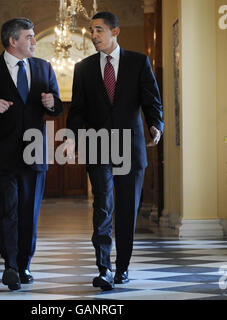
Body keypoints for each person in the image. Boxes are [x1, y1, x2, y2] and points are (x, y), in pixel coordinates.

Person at [66, 11, 164, 291]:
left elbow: (152, 100)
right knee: (102, 206)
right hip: (97, 147)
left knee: (126, 210)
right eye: (91, 30)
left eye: (99, 30)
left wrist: (156, 125)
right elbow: (77, 110)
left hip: (130, 149)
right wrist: (71, 136)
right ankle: (103, 267)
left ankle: (122, 268)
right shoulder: (83, 68)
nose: (93, 35)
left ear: (115, 32)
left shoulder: (138, 62)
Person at [0, 18, 63, 291]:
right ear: (13, 41)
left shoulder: (44, 67)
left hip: (35, 155)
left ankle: (24, 264)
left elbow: (56, 107)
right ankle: (10, 265)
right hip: (1, 156)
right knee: (8, 209)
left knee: (28, 212)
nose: (34, 41)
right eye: (29, 36)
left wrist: (52, 103)